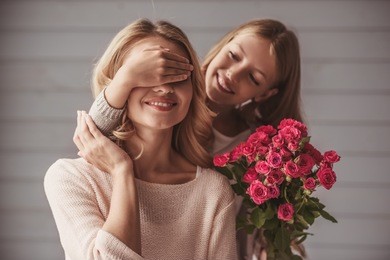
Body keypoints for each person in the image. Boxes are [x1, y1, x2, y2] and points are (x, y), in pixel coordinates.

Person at [84, 19, 303, 260]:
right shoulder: (166, 102)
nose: (233, 74)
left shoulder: (258, 150)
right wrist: (126, 77)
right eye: (234, 55)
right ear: (223, 45)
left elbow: (249, 227)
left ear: (266, 93)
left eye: (253, 78)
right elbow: (92, 136)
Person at [44, 18, 238, 260]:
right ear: (119, 84)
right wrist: (121, 171)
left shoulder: (212, 191)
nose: (165, 88)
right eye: (146, 74)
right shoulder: (71, 179)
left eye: (178, 75)